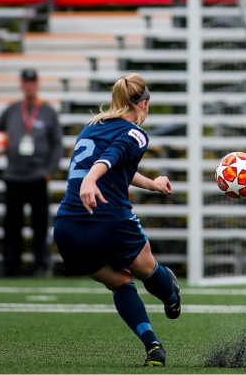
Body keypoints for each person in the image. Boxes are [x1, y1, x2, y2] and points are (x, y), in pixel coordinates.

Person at [53, 73, 180, 368]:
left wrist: (153, 184)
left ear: (114, 102)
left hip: (69, 229)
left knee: (121, 283)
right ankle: (171, 294)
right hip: (109, 221)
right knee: (148, 270)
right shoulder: (136, 133)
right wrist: (90, 180)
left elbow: (115, 165)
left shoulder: (91, 128)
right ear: (144, 105)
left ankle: (153, 346)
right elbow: (111, 157)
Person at [0, 68, 63, 277]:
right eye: (26, 82)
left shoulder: (48, 112)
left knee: (40, 226)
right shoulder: (13, 110)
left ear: (37, 84)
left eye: (33, 81)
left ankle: (41, 266)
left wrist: (49, 171)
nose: (29, 85)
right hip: (14, 177)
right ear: (21, 84)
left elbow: (57, 145)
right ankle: (10, 266)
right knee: (12, 226)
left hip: (37, 178)